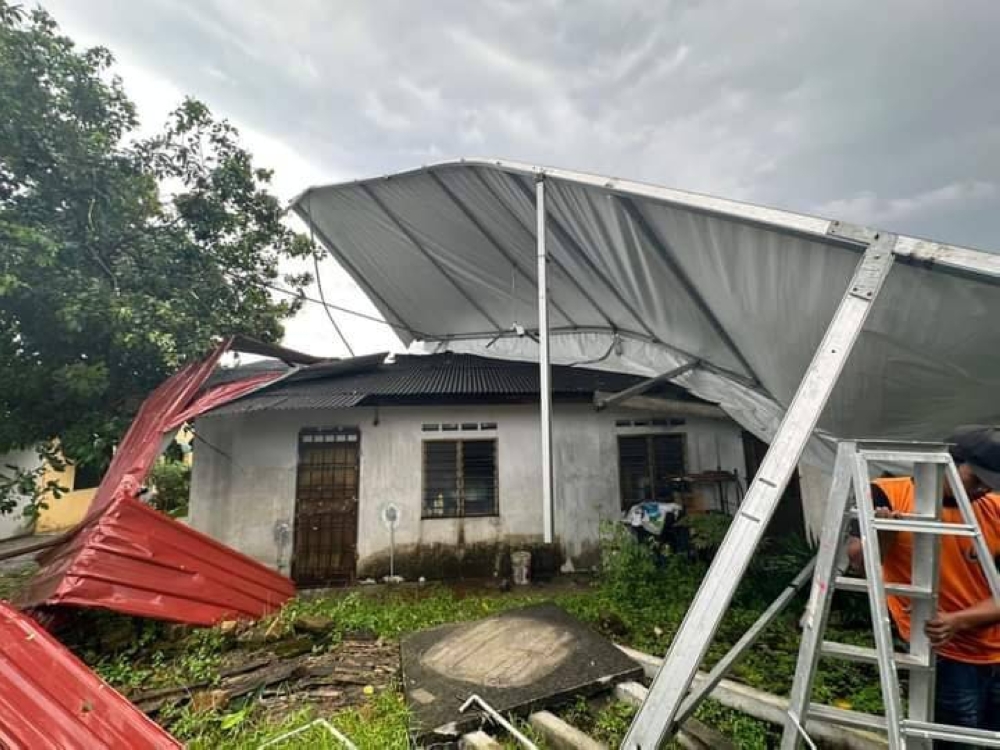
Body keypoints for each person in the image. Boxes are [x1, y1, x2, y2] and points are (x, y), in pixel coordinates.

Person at [846, 425, 1000, 747]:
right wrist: (882, 537)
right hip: (945, 654)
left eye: (991, 484)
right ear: (946, 461)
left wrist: (960, 620)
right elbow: (861, 563)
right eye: (976, 479)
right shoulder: (886, 494)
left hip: (990, 647)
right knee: (956, 740)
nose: (983, 490)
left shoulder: (994, 509)